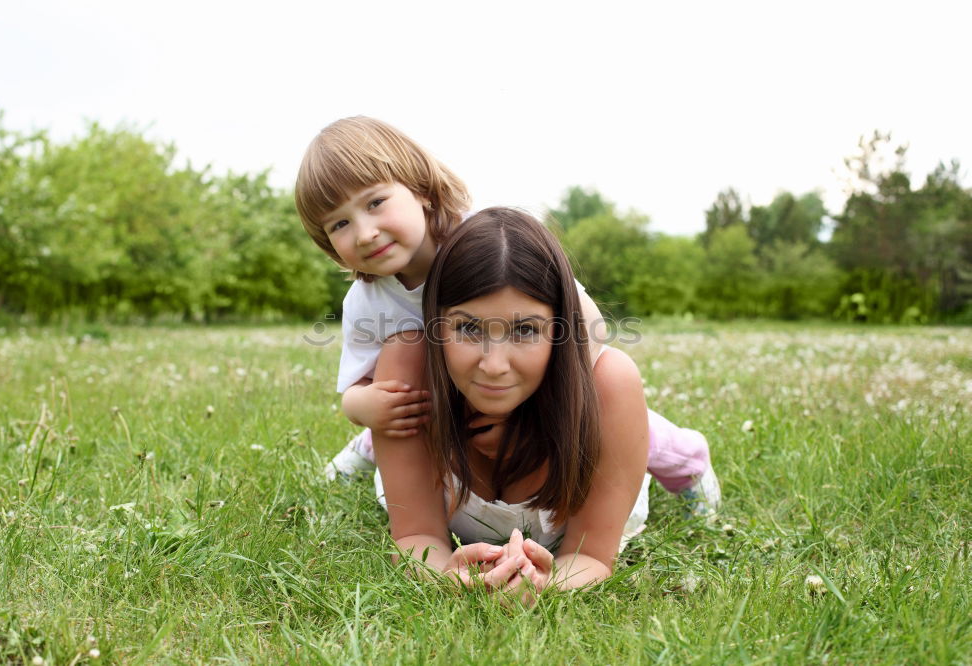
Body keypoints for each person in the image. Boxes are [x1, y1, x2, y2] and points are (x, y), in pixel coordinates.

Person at [293, 116, 719, 536]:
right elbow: (358, 383)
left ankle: (688, 464)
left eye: (374, 203)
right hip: (449, 397)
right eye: (340, 224)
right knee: (401, 401)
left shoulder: (484, 245)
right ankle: (367, 449)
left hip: (538, 382)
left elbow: (587, 325)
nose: (365, 233)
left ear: (420, 190)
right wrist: (362, 408)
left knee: (619, 412)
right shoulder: (366, 301)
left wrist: (550, 400)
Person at [377, 207, 656, 594]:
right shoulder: (409, 368)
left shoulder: (611, 385)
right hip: (436, 408)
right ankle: (363, 448)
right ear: (436, 323)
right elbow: (415, 536)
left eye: (524, 329)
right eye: (469, 327)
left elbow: (591, 556)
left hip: (592, 416)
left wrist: (548, 583)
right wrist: (447, 576)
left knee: (659, 436)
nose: (493, 365)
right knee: (375, 450)